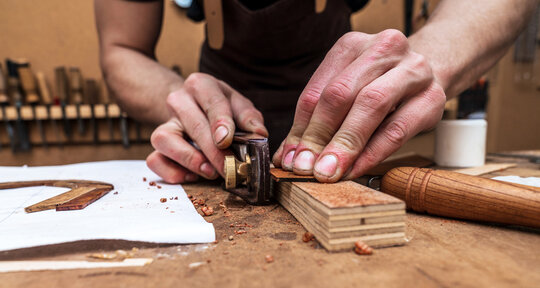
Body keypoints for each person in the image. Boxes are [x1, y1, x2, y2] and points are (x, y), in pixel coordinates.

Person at [95, 0, 536, 183]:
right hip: (220, 107)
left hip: (353, 112)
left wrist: (429, 59)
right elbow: (121, 49)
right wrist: (180, 98)